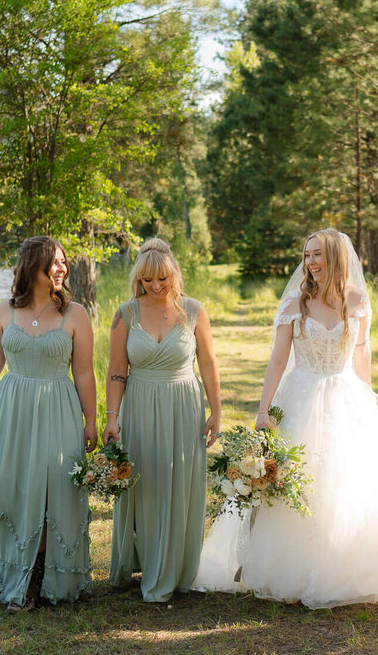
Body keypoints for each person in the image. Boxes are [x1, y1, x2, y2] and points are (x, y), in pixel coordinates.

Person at [194, 228, 378, 608]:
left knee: (347, 482)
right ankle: (295, 567)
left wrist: (369, 396)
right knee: (299, 482)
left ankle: (348, 562)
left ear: (336, 256)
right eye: (307, 256)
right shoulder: (295, 303)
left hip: (345, 395)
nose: (311, 263)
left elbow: (362, 353)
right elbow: (278, 360)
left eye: (317, 254)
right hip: (301, 394)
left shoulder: (357, 300)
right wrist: (263, 408)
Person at [0, 236, 99, 612]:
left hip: (58, 411)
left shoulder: (75, 314)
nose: (63, 268)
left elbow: (84, 373)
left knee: (50, 493)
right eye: (56, 262)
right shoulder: (4, 312)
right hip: (12, 412)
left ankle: (37, 579)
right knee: (9, 490)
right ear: (33, 267)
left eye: (65, 262)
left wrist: (92, 420)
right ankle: (13, 569)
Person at [105, 238, 222, 602]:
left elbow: (207, 362)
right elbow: (116, 370)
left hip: (183, 406)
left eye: (162, 279)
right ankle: (144, 563)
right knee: (145, 484)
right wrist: (111, 419)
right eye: (148, 280)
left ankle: (175, 568)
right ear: (139, 278)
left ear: (174, 274)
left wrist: (217, 410)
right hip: (139, 405)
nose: (155, 287)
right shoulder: (125, 314)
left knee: (178, 484)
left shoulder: (193, 310)